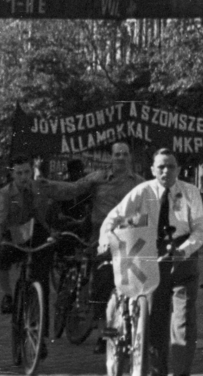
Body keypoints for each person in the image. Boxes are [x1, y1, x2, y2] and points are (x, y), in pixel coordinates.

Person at [99, 149, 203, 376]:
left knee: (184, 319)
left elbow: (200, 230)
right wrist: (105, 239)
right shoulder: (142, 192)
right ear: (152, 170)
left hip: (182, 255)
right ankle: (156, 375)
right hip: (149, 252)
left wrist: (184, 250)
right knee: (155, 317)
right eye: (160, 167)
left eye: (170, 166)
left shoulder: (190, 193)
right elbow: (114, 217)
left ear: (178, 169)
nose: (166, 171)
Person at [41, 139, 142, 352]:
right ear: (111, 157)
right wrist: (46, 186)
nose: (121, 158)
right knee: (102, 291)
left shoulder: (139, 184)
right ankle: (105, 337)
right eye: (117, 154)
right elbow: (73, 189)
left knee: (133, 290)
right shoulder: (98, 179)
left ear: (129, 157)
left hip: (130, 242)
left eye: (125, 154)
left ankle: (134, 332)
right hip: (102, 243)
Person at [0, 155, 56, 314]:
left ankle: (41, 330)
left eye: (26, 172)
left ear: (31, 171)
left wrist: (51, 230)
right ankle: (7, 295)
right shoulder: (5, 193)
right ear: (12, 174)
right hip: (12, 234)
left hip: (32, 232)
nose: (23, 177)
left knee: (42, 277)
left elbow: (42, 215)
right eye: (19, 173)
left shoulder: (37, 188)